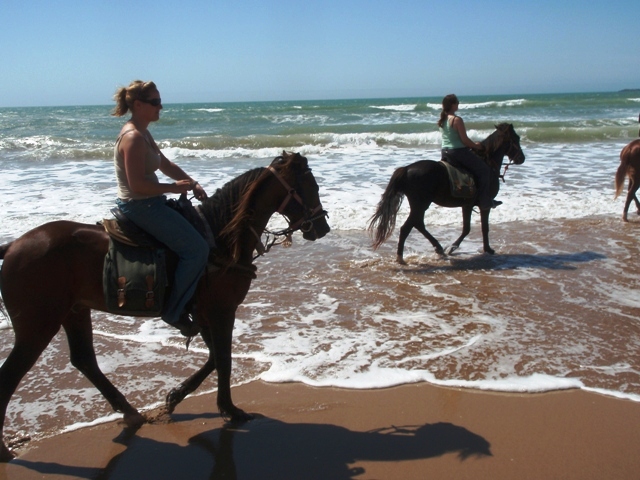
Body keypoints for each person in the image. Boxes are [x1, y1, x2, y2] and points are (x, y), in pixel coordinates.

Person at [111, 80, 209, 337]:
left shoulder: (143, 132)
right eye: (155, 102)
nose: (160, 107)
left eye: (160, 101)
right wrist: (173, 188)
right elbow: (137, 185)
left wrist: (193, 182)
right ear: (139, 105)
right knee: (196, 250)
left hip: (151, 202)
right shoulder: (132, 137)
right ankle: (173, 311)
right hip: (140, 206)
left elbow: (166, 164)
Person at [438, 94, 499, 210]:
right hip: (458, 152)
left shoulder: (442, 119)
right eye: (457, 102)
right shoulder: (456, 120)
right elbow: (465, 140)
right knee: (485, 170)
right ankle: (485, 201)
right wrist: (477, 146)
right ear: (453, 105)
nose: (458, 104)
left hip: (445, 152)